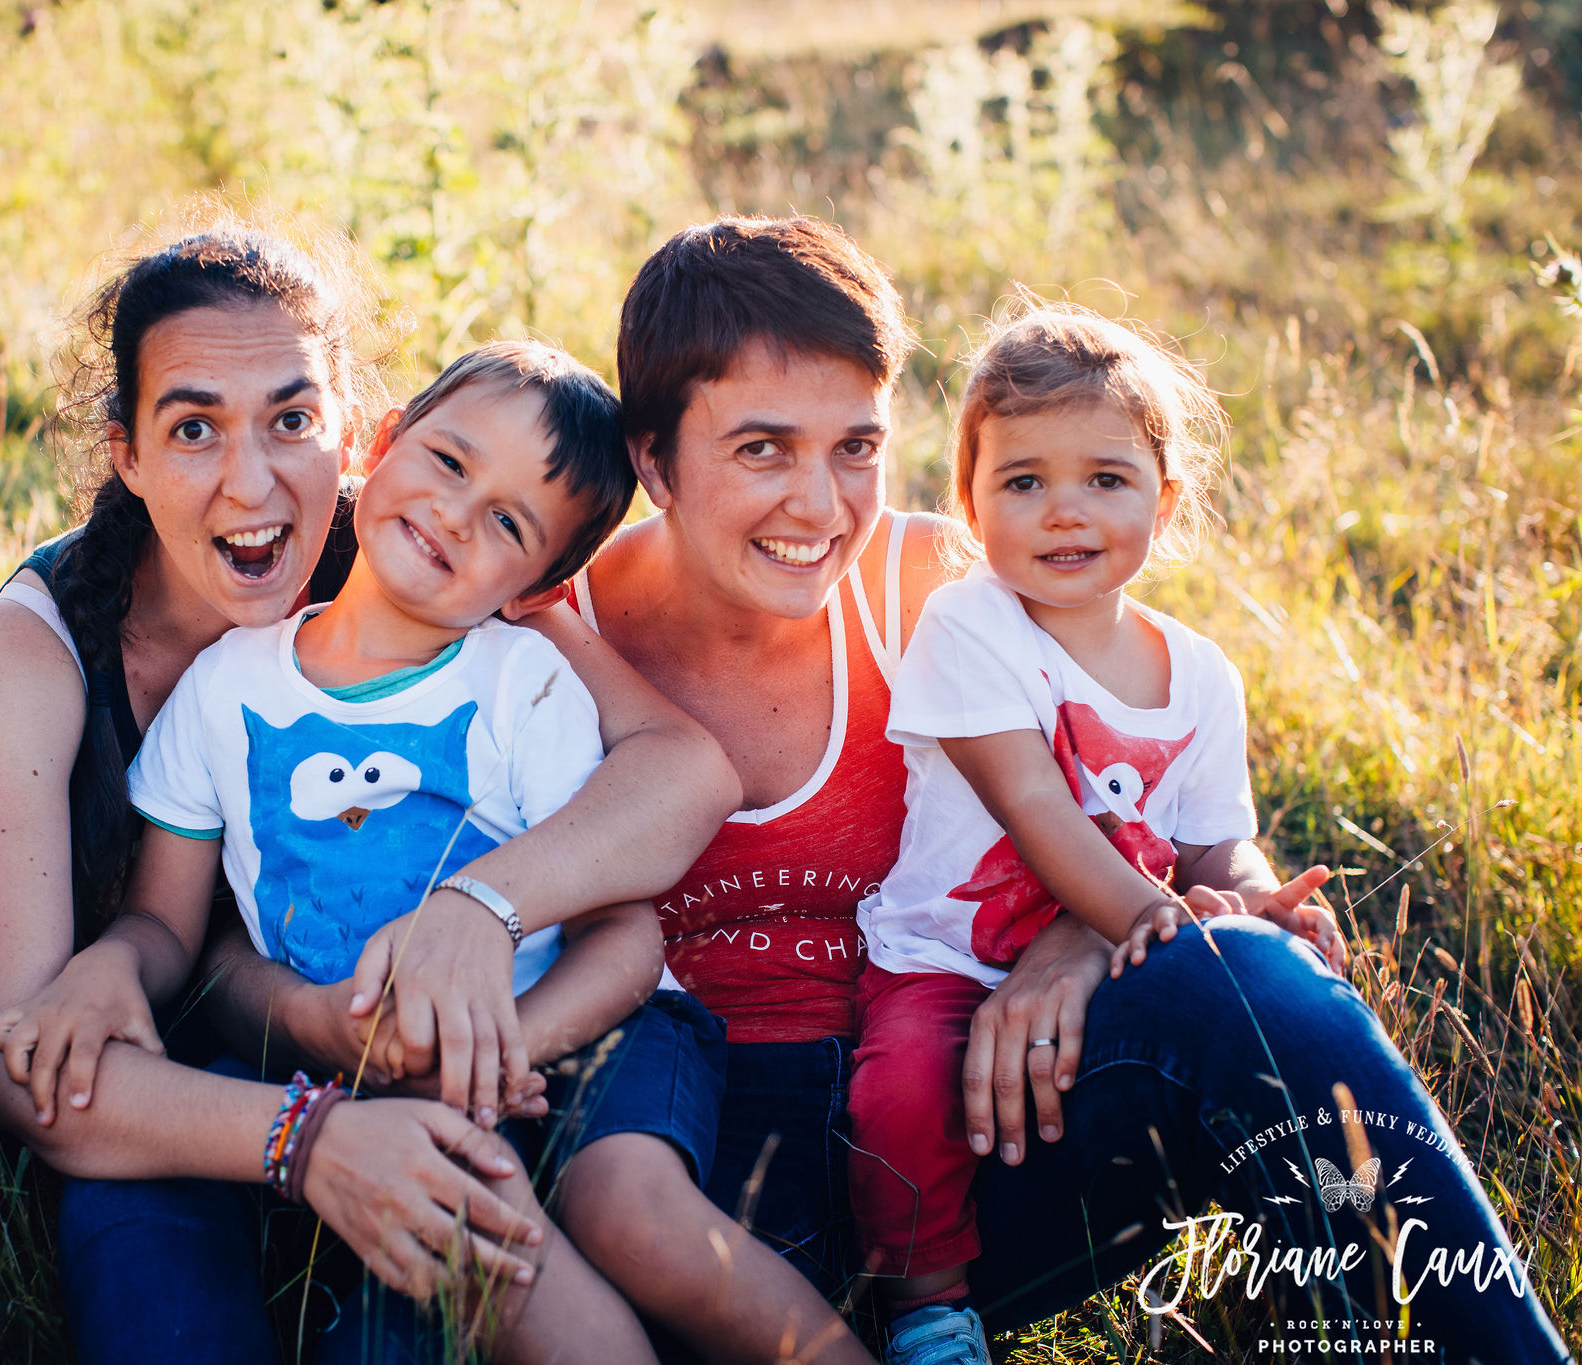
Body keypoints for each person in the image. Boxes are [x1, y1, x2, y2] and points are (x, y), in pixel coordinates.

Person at [567, 215, 1570, 1363]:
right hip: (689, 1196)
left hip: (974, 1120)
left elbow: (1123, 813)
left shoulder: (942, 583)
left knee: (1243, 980)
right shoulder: (556, 634)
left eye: (856, 446)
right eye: (760, 450)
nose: (819, 505)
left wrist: (1084, 941)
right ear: (650, 460)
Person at [0, 223, 741, 1364]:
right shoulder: (40, 647)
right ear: (125, 452)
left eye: (291, 420)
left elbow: (679, 772)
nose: (250, 481)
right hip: (128, 1077)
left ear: (356, 431)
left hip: (349, 1053)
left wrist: (481, 904)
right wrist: (307, 1139)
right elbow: (24, 1061)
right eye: (193, 428)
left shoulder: (418, 548)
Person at [89, 339, 873, 1364]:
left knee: (629, 1215)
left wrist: (512, 1048)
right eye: (449, 464)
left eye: (507, 521)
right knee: (489, 1248)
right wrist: (108, 965)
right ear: (383, 442)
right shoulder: (225, 690)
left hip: (594, 1030)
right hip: (386, 1075)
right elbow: (168, 922)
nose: (456, 515)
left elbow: (625, 937)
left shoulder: (520, 681)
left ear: (535, 583)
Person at [846, 305, 1347, 1361]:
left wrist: (1250, 904)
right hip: (944, 958)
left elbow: (1216, 843)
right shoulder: (969, 626)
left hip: (1112, 950)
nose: (1062, 513)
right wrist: (1175, 935)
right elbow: (1035, 811)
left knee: (1264, 1035)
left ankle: (1314, 1278)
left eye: (1104, 481)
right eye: (1021, 481)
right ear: (968, 507)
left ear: (1164, 504)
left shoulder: (1199, 673)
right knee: (898, 1094)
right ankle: (926, 1311)